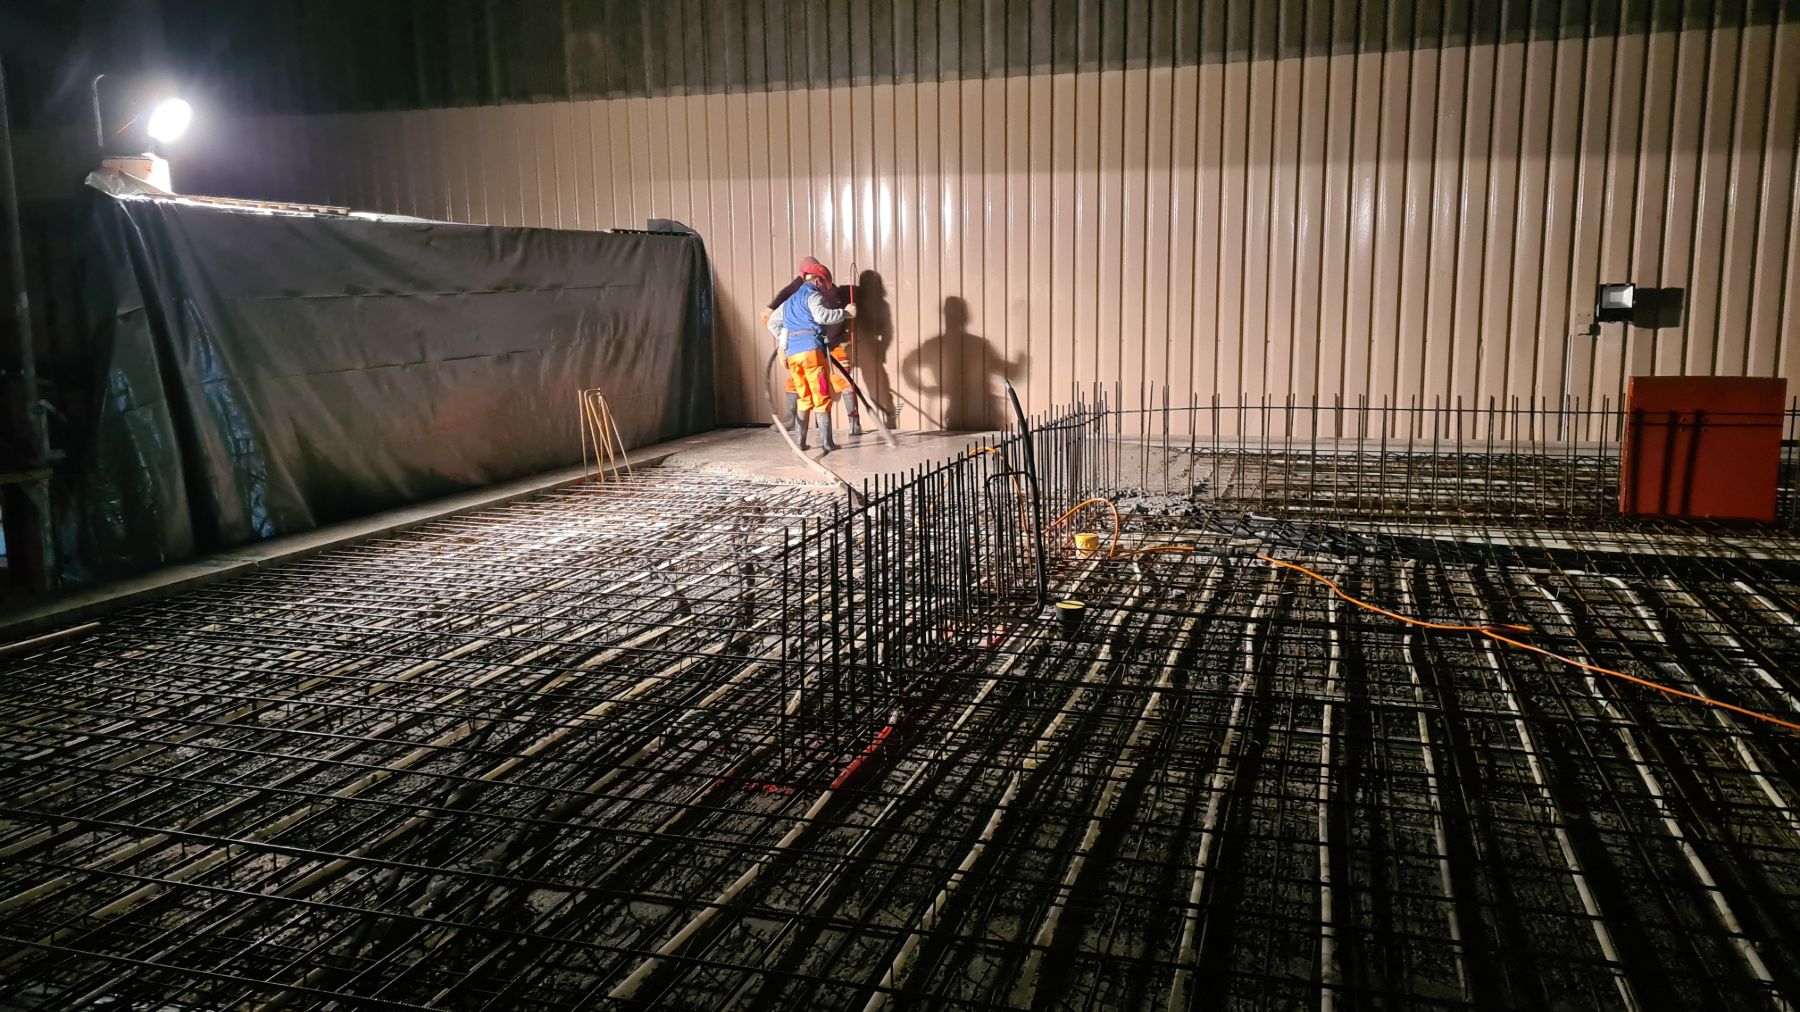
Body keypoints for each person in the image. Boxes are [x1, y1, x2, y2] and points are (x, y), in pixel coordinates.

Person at [763, 257, 865, 437]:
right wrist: (784, 344)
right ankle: (792, 422)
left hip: (830, 346)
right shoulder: (804, 290)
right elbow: (781, 312)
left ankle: (854, 423)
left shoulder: (825, 289)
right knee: (798, 385)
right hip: (810, 348)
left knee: (843, 381)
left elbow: (824, 317)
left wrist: (846, 314)